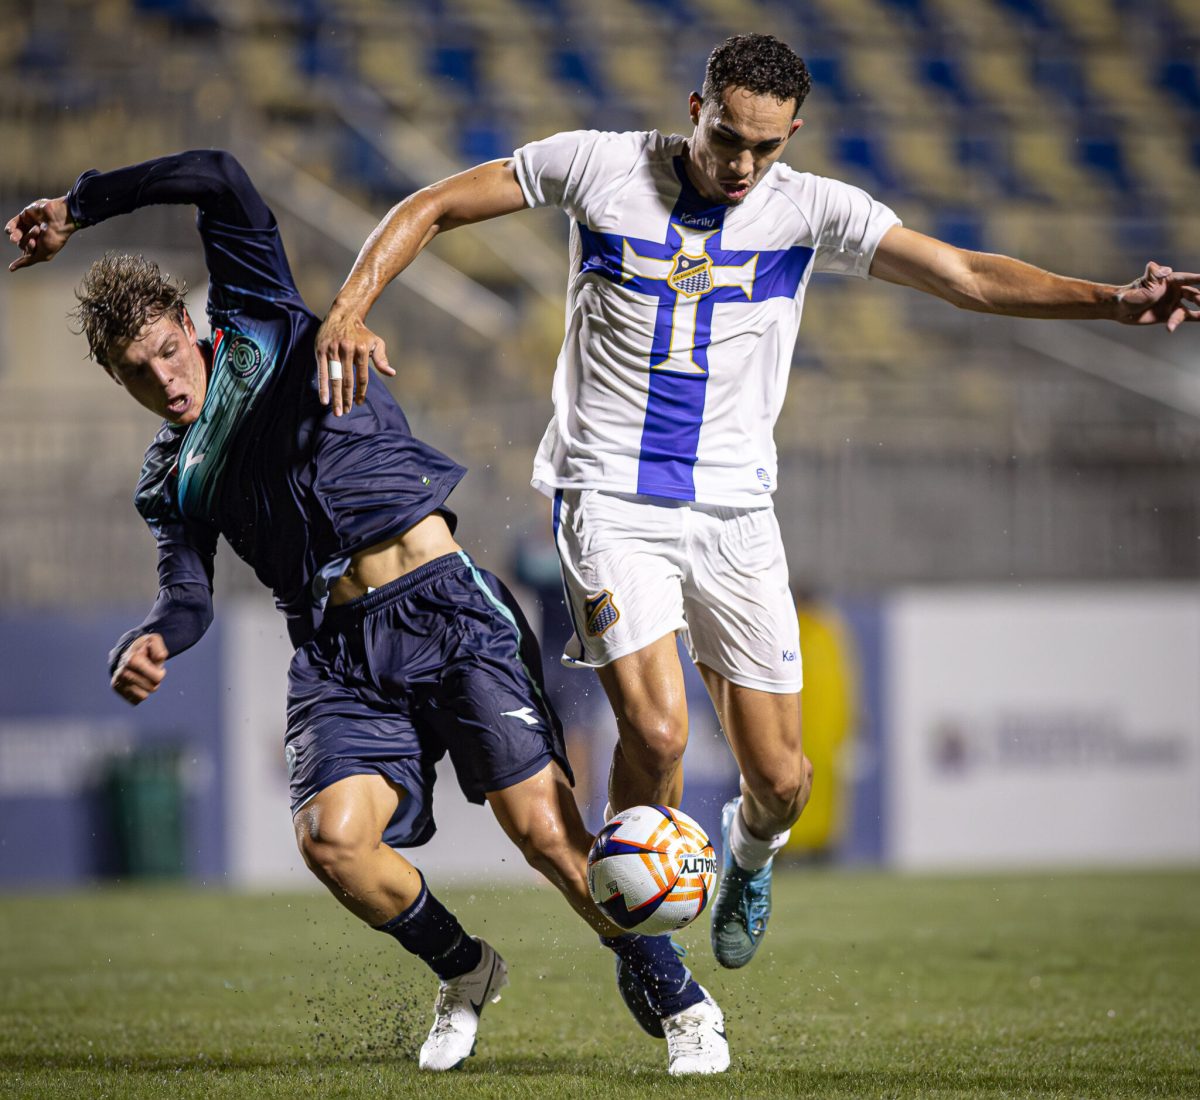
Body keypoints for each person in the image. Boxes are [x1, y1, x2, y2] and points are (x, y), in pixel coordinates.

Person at [316, 30, 1197, 976]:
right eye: (729, 138)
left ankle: (748, 851)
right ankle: (639, 933)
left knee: (782, 780)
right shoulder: (598, 167)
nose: (742, 164)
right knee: (657, 731)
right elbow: (438, 203)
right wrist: (351, 306)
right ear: (697, 110)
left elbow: (966, 276)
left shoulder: (810, 209)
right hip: (609, 499)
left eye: (766, 147)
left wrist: (1110, 300)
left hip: (736, 516)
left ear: (793, 135)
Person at [4, 149, 729, 1076]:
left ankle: (679, 1002)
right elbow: (188, 593)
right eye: (137, 373)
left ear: (190, 326)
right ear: (117, 380)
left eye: (167, 352)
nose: (166, 381)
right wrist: (156, 637)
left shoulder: (260, 317)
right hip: (339, 654)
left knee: (544, 831)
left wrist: (79, 202)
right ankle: (465, 971)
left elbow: (223, 176)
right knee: (333, 843)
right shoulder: (169, 479)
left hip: (446, 608)